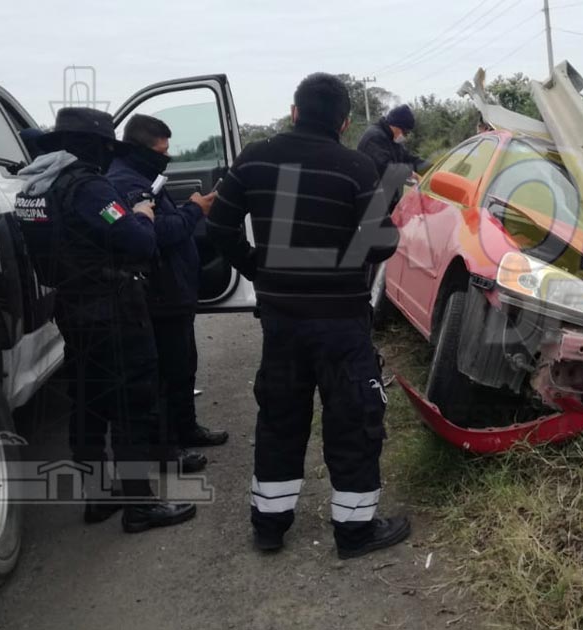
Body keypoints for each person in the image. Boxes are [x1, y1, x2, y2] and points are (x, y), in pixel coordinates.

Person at [207, 73, 409, 556]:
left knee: (279, 418)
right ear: (344, 122)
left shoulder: (254, 158)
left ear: (294, 111)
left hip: (282, 321)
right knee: (353, 421)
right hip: (341, 323)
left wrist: (257, 268)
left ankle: (269, 526)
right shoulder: (356, 167)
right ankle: (355, 532)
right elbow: (382, 242)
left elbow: (218, 226)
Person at [13, 107, 196, 532]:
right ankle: (140, 506)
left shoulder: (37, 185)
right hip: (112, 306)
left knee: (89, 403)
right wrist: (143, 215)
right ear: (93, 146)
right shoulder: (89, 187)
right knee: (133, 402)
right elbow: (139, 241)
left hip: (72, 306)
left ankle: (97, 497)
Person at [108, 114, 229, 476]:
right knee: (164, 375)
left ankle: (186, 429)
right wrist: (195, 209)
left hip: (172, 292)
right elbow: (158, 233)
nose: (167, 157)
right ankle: (167, 448)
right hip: (157, 294)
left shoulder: (142, 176)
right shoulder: (126, 183)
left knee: (183, 366)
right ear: (140, 148)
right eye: (162, 151)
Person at [357, 104, 430, 178]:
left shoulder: (392, 138)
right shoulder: (374, 138)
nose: (405, 136)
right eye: (405, 132)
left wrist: (429, 169)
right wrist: (408, 173)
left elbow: (408, 159)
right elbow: (384, 168)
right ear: (396, 125)